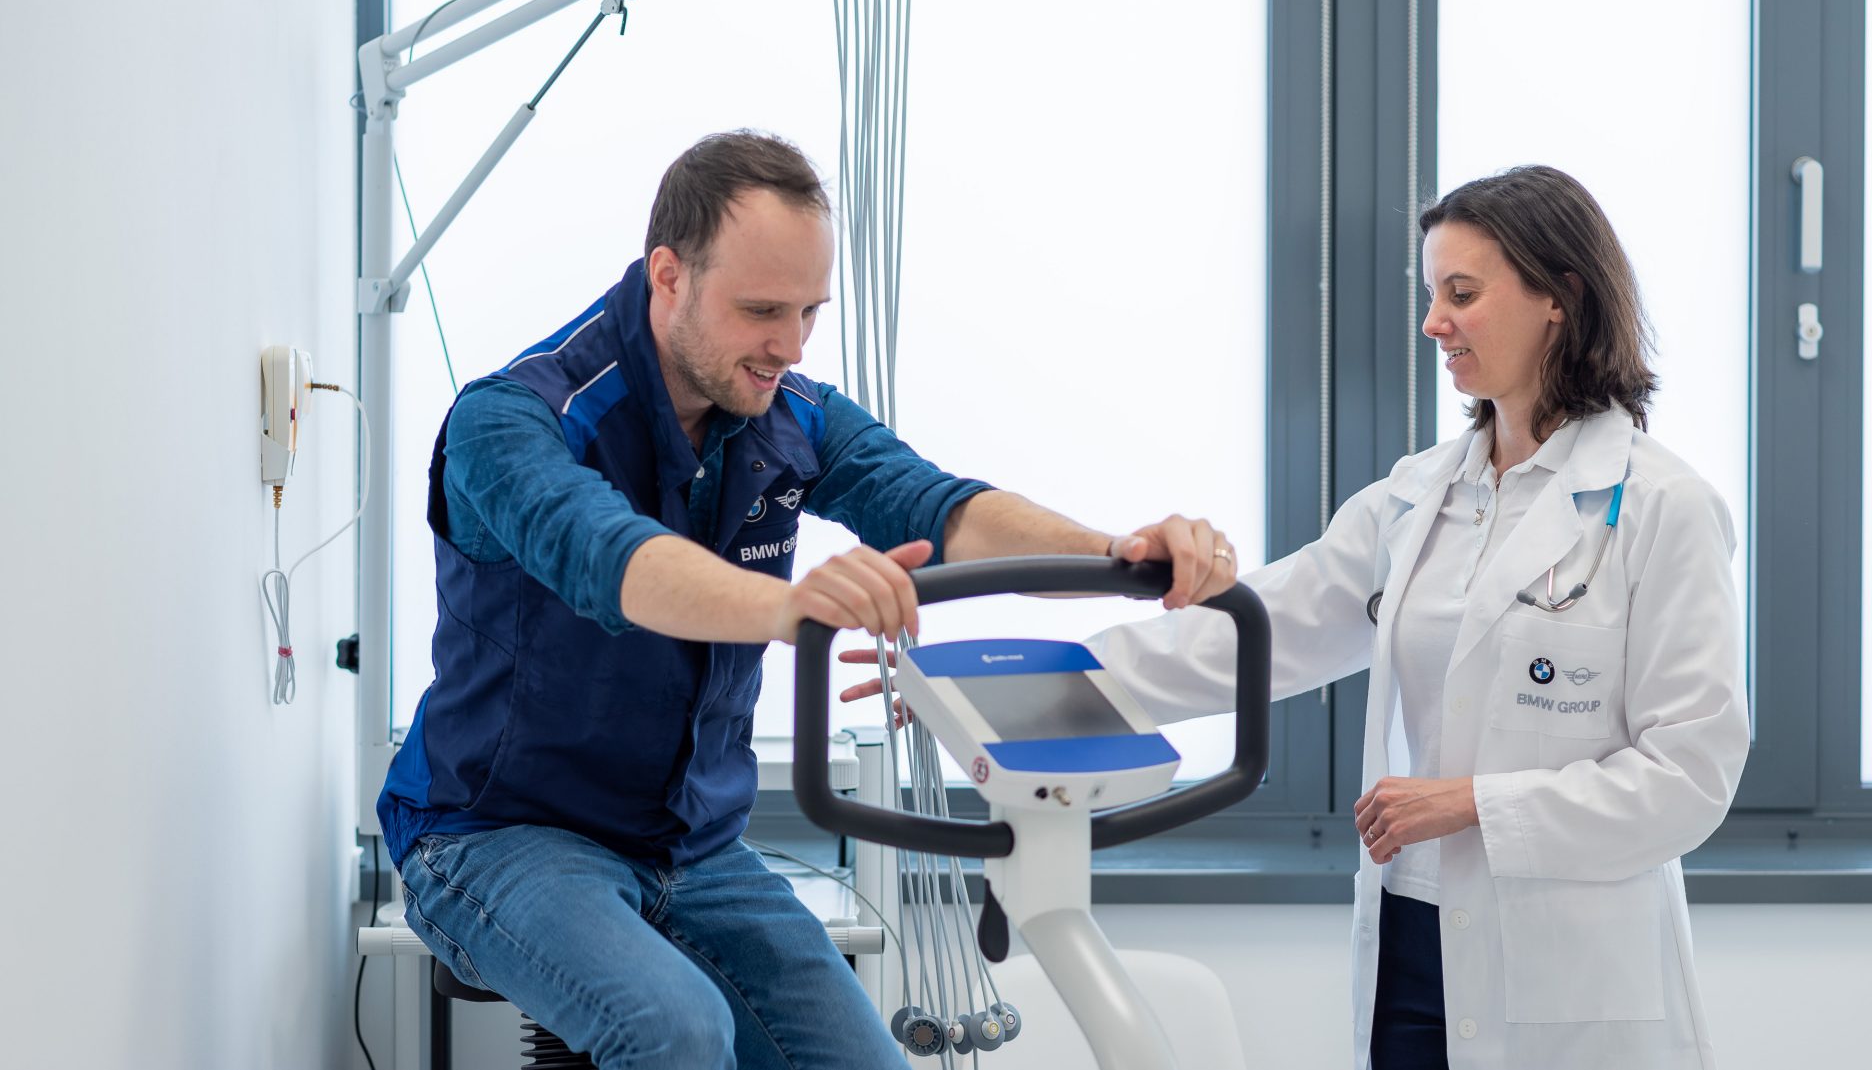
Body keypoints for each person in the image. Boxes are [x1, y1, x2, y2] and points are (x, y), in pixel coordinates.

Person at [376, 129, 1239, 1070]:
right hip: (496, 836)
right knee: (674, 1027)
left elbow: (942, 506)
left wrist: (1116, 549)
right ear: (668, 275)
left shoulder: (789, 412)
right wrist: (787, 607)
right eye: (760, 311)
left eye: (808, 312)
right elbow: (613, 559)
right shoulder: (513, 419)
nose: (787, 346)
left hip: (690, 848)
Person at [1089, 165, 1748, 1069]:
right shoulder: (1417, 497)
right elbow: (1253, 634)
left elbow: (1690, 778)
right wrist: (1022, 685)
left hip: (1570, 971)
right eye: (1432, 293)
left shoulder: (1663, 506)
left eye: (1462, 293)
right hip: (1412, 942)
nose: (1434, 321)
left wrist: (1475, 804)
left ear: (1560, 297)